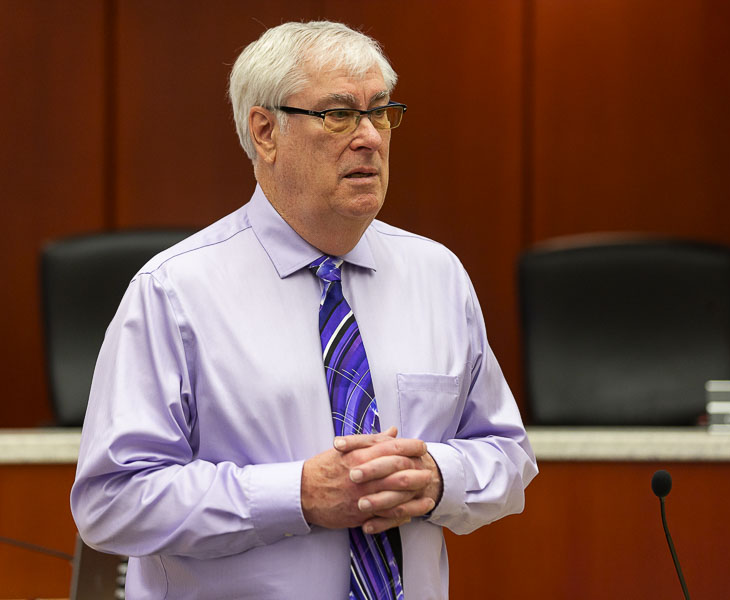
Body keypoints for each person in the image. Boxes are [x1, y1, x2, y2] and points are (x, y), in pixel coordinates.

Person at [71, 20, 537, 599]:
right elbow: (111, 503)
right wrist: (297, 494)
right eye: (339, 114)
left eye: (381, 111)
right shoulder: (174, 292)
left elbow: (508, 458)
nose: (369, 136)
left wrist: (440, 477)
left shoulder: (437, 275)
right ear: (265, 131)